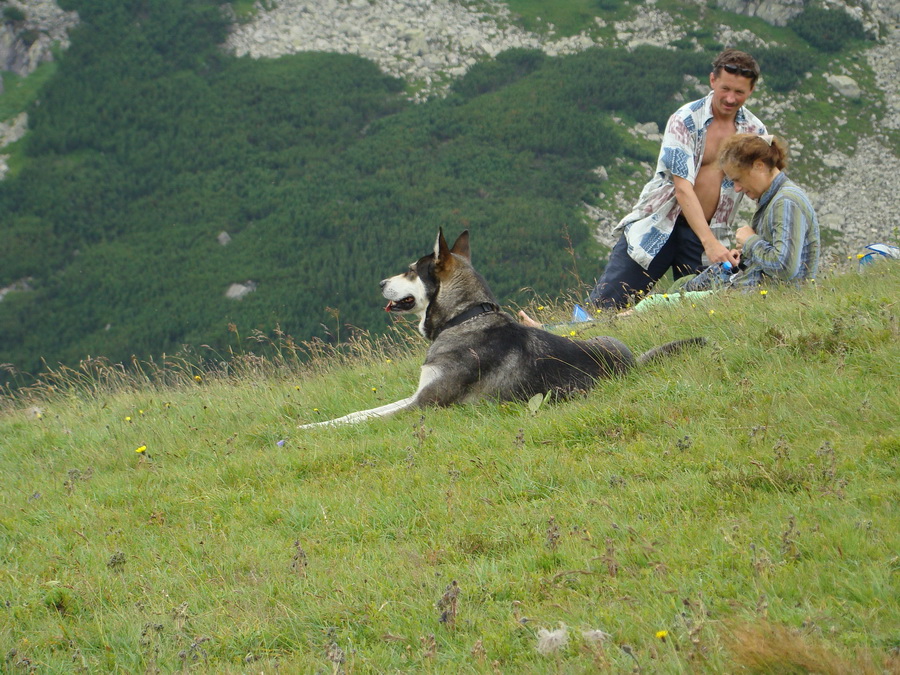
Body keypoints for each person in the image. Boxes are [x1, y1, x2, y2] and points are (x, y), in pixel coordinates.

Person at [588, 49, 767, 310]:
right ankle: (561, 343)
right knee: (605, 305)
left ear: (751, 91)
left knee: (703, 314)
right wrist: (711, 245)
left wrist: (753, 241)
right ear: (712, 81)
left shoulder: (755, 132)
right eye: (725, 88)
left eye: (739, 92)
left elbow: (761, 185)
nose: (730, 98)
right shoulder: (684, 119)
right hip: (662, 223)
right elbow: (682, 188)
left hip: (710, 231)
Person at [620, 133, 819, 313]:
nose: (738, 188)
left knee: (653, 305)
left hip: (767, 301)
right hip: (755, 293)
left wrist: (750, 240)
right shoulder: (774, 198)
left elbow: (785, 266)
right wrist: (745, 255)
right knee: (683, 284)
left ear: (759, 166)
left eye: (738, 179)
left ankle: (613, 329)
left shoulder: (786, 202)